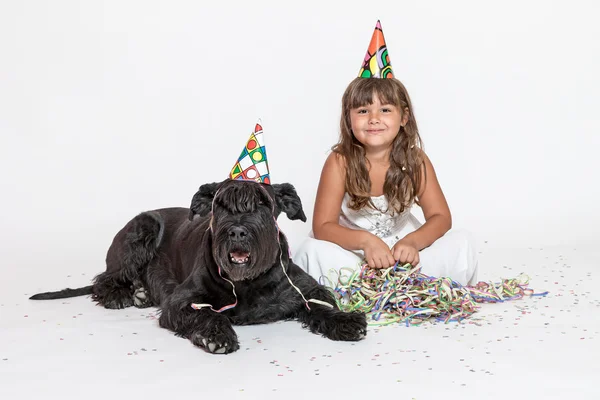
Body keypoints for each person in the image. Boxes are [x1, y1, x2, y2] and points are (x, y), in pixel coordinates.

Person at [294, 21, 478, 287]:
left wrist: (412, 242)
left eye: (385, 110)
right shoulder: (340, 161)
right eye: (362, 111)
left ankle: (405, 288)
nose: (373, 119)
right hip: (355, 255)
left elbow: (441, 217)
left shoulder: (416, 160)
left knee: (463, 242)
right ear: (349, 118)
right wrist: (366, 242)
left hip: (405, 255)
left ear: (403, 117)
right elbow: (323, 226)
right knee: (309, 252)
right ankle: (368, 291)